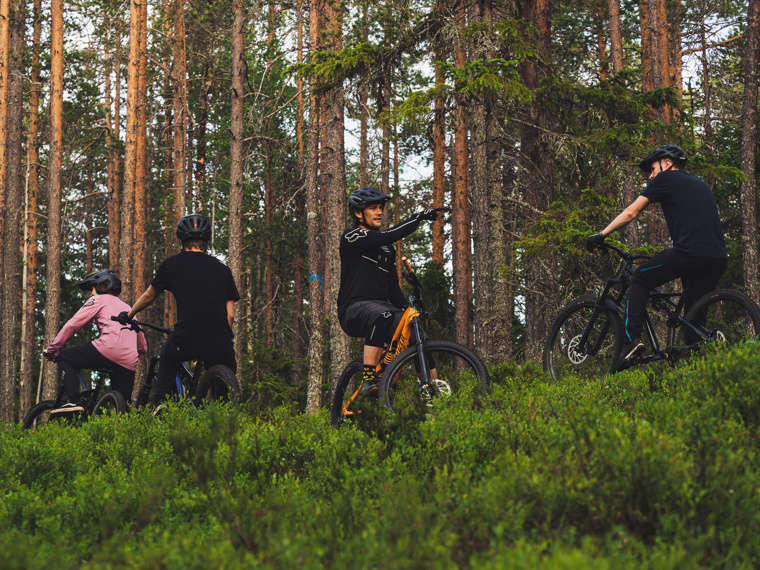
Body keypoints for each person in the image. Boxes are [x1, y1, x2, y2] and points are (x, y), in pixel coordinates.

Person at [586, 144, 728, 370]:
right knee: (694, 314)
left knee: (640, 277)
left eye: (652, 169)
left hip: (690, 253)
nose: (651, 176)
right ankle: (696, 371)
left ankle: (630, 341)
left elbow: (632, 212)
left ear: (667, 163)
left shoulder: (665, 180)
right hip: (718, 257)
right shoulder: (700, 184)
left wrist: (601, 234)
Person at [122, 213, 240, 405]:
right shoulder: (223, 269)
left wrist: (129, 314)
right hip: (221, 342)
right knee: (222, 396)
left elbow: (149, 296)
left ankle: (162, 404)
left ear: (181, 239)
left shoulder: (171, 264)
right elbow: (230, 315)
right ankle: (224, 417)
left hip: (187, 337)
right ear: (206, 239)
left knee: (167, 358)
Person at [338, 187, 442, 396]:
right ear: (358, 213)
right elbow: (388, 235)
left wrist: (409, 310)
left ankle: (432, 390)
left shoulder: (387, 250)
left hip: (381, 307)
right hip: (353, 309)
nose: (379, 212)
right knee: (382, 314)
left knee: (417, 333)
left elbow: (392, 288)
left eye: (380, 208)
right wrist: (418, 217)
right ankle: (368, 379)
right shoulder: (352, 237)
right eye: (373, 208)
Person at [43, 270, 147, 413]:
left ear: (101, 287)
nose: (91, 294)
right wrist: (131, 353)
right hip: (129, 360)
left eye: (92, 289)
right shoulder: (129, 308)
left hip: (107, 349)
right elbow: (142, 346)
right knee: (125, 409)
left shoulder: (98, 300)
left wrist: (52, 349)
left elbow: (73, 325)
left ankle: (74, 401)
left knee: (65, 358)